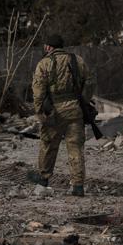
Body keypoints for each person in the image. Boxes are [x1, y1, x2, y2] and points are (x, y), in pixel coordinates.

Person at [28, 34, 95, 196]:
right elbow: (91, 82)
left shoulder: (44, 63)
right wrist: (84, 101)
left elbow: (38, 91)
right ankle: (78, 186)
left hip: (54, 112)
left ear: (49, 47)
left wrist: (39, 112)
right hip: (75, 110)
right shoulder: (78, 60)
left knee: (48, 145)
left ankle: (43, 178)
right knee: (75, 148)